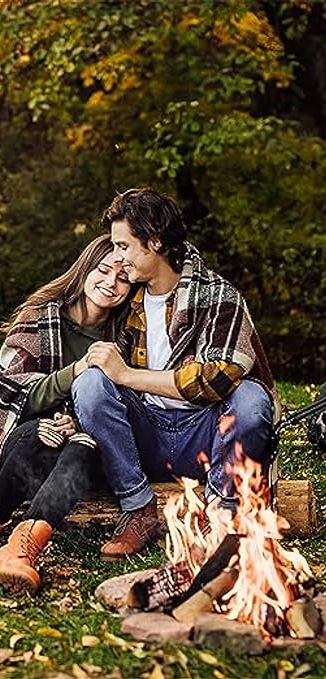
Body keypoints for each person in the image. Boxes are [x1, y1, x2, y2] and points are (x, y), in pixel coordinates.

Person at [71, 188, 276, 560]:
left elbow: (216, 378)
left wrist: (128, 375)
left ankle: (221, 512)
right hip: (144, 436)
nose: (116, 258)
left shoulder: (217, 296)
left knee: (251, 398)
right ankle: (138, 509)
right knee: (89, 385)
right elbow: (76, 331)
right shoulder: (124, 300)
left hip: (206, 434)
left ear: (155, 242)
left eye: (123, 246)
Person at [0, 235, 133, 593]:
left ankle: (21, 549)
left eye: (123, 279)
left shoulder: (126, 335)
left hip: (85, 446)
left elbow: (120, 402)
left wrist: (75, 419)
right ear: (84, 269)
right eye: (103, 271)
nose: (110, 283)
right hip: (27, 436)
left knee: (84, 445)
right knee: (37, 432)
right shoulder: (40, 317)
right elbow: (15, 390)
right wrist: (76, 373)